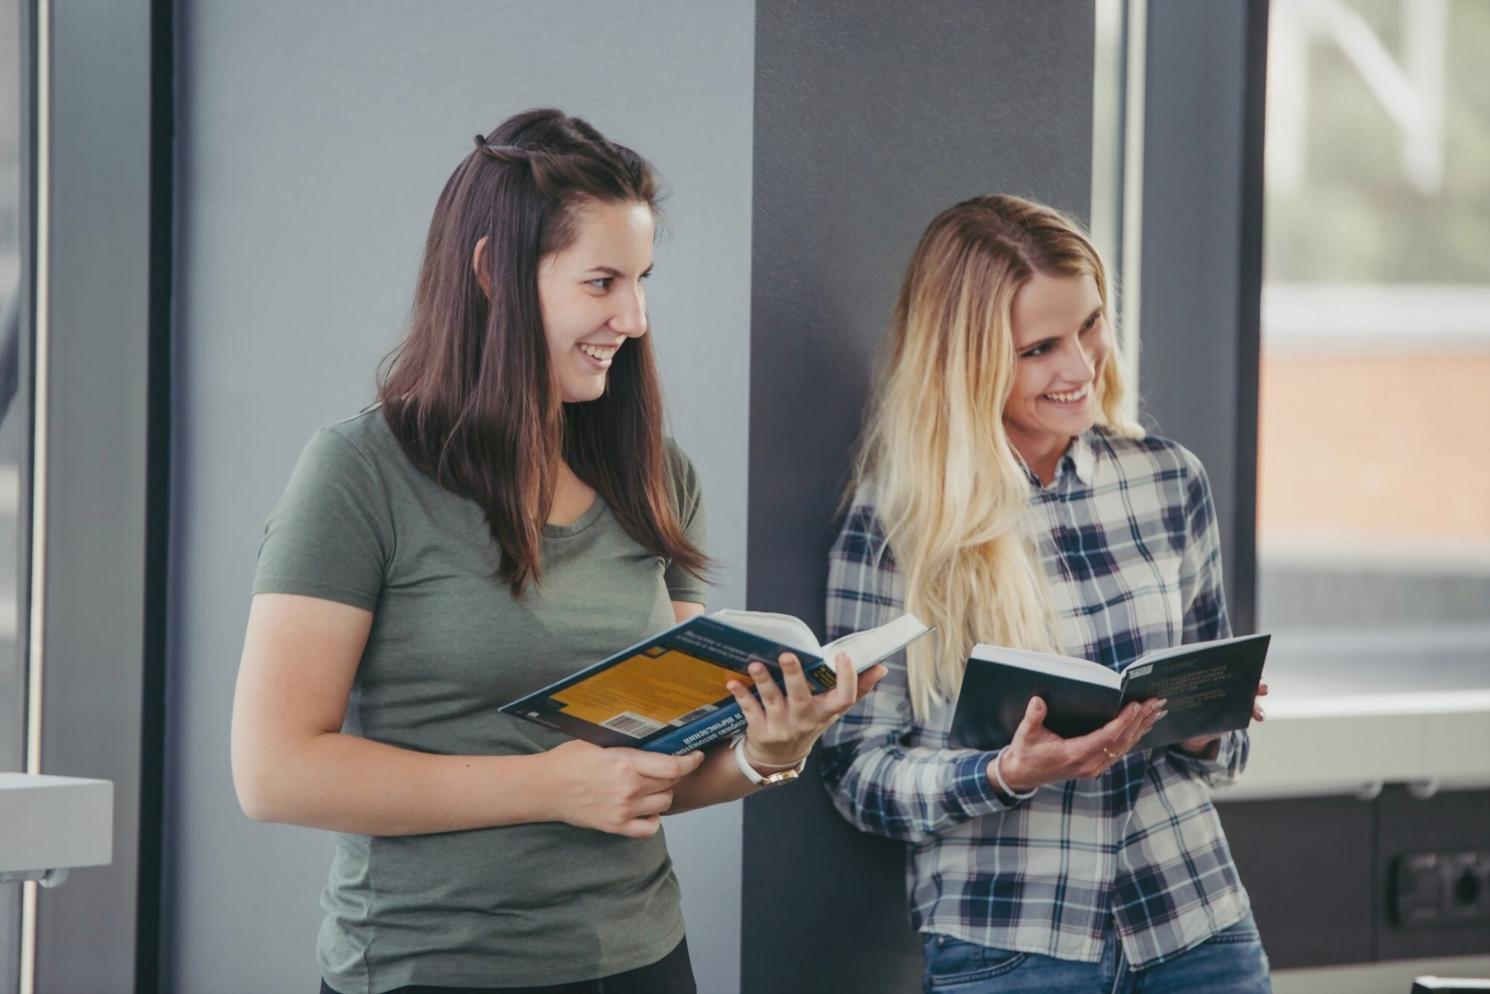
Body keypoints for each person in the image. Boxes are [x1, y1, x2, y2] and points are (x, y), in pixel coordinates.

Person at [230, 108, 882, 994]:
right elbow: (274, 772)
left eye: (642, 280)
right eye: (603, 281)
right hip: (433, 970)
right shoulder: (357, 473)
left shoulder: (654, 474)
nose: (636, 317)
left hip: (641, 959)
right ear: (495, 273)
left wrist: (768, 751)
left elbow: (658, 768)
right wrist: (546, 788)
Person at [819, 194, 1271, 994]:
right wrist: (1004, 774)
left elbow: (1226, 755)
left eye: (1090, 326)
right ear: (965, 361)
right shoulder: (896, 523)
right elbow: (857, 773)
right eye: (1038, 349)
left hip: (1194, 921)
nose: (1080, 367)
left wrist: (1207, 719)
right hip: (1010, 943)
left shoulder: (1169, 480)